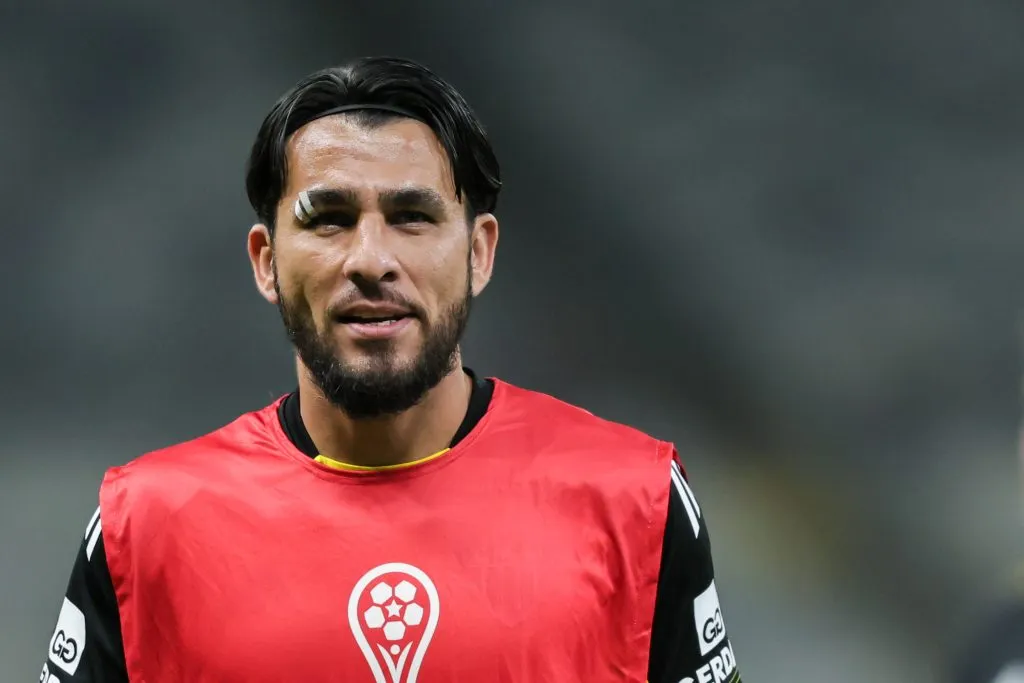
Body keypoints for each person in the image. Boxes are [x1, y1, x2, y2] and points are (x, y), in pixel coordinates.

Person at [39, 56, 743, 683]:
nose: (371, 259)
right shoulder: (146, 525)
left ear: (479, 253)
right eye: (328, 218)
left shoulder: (635, 500)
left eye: (411, 216)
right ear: (266, 261)